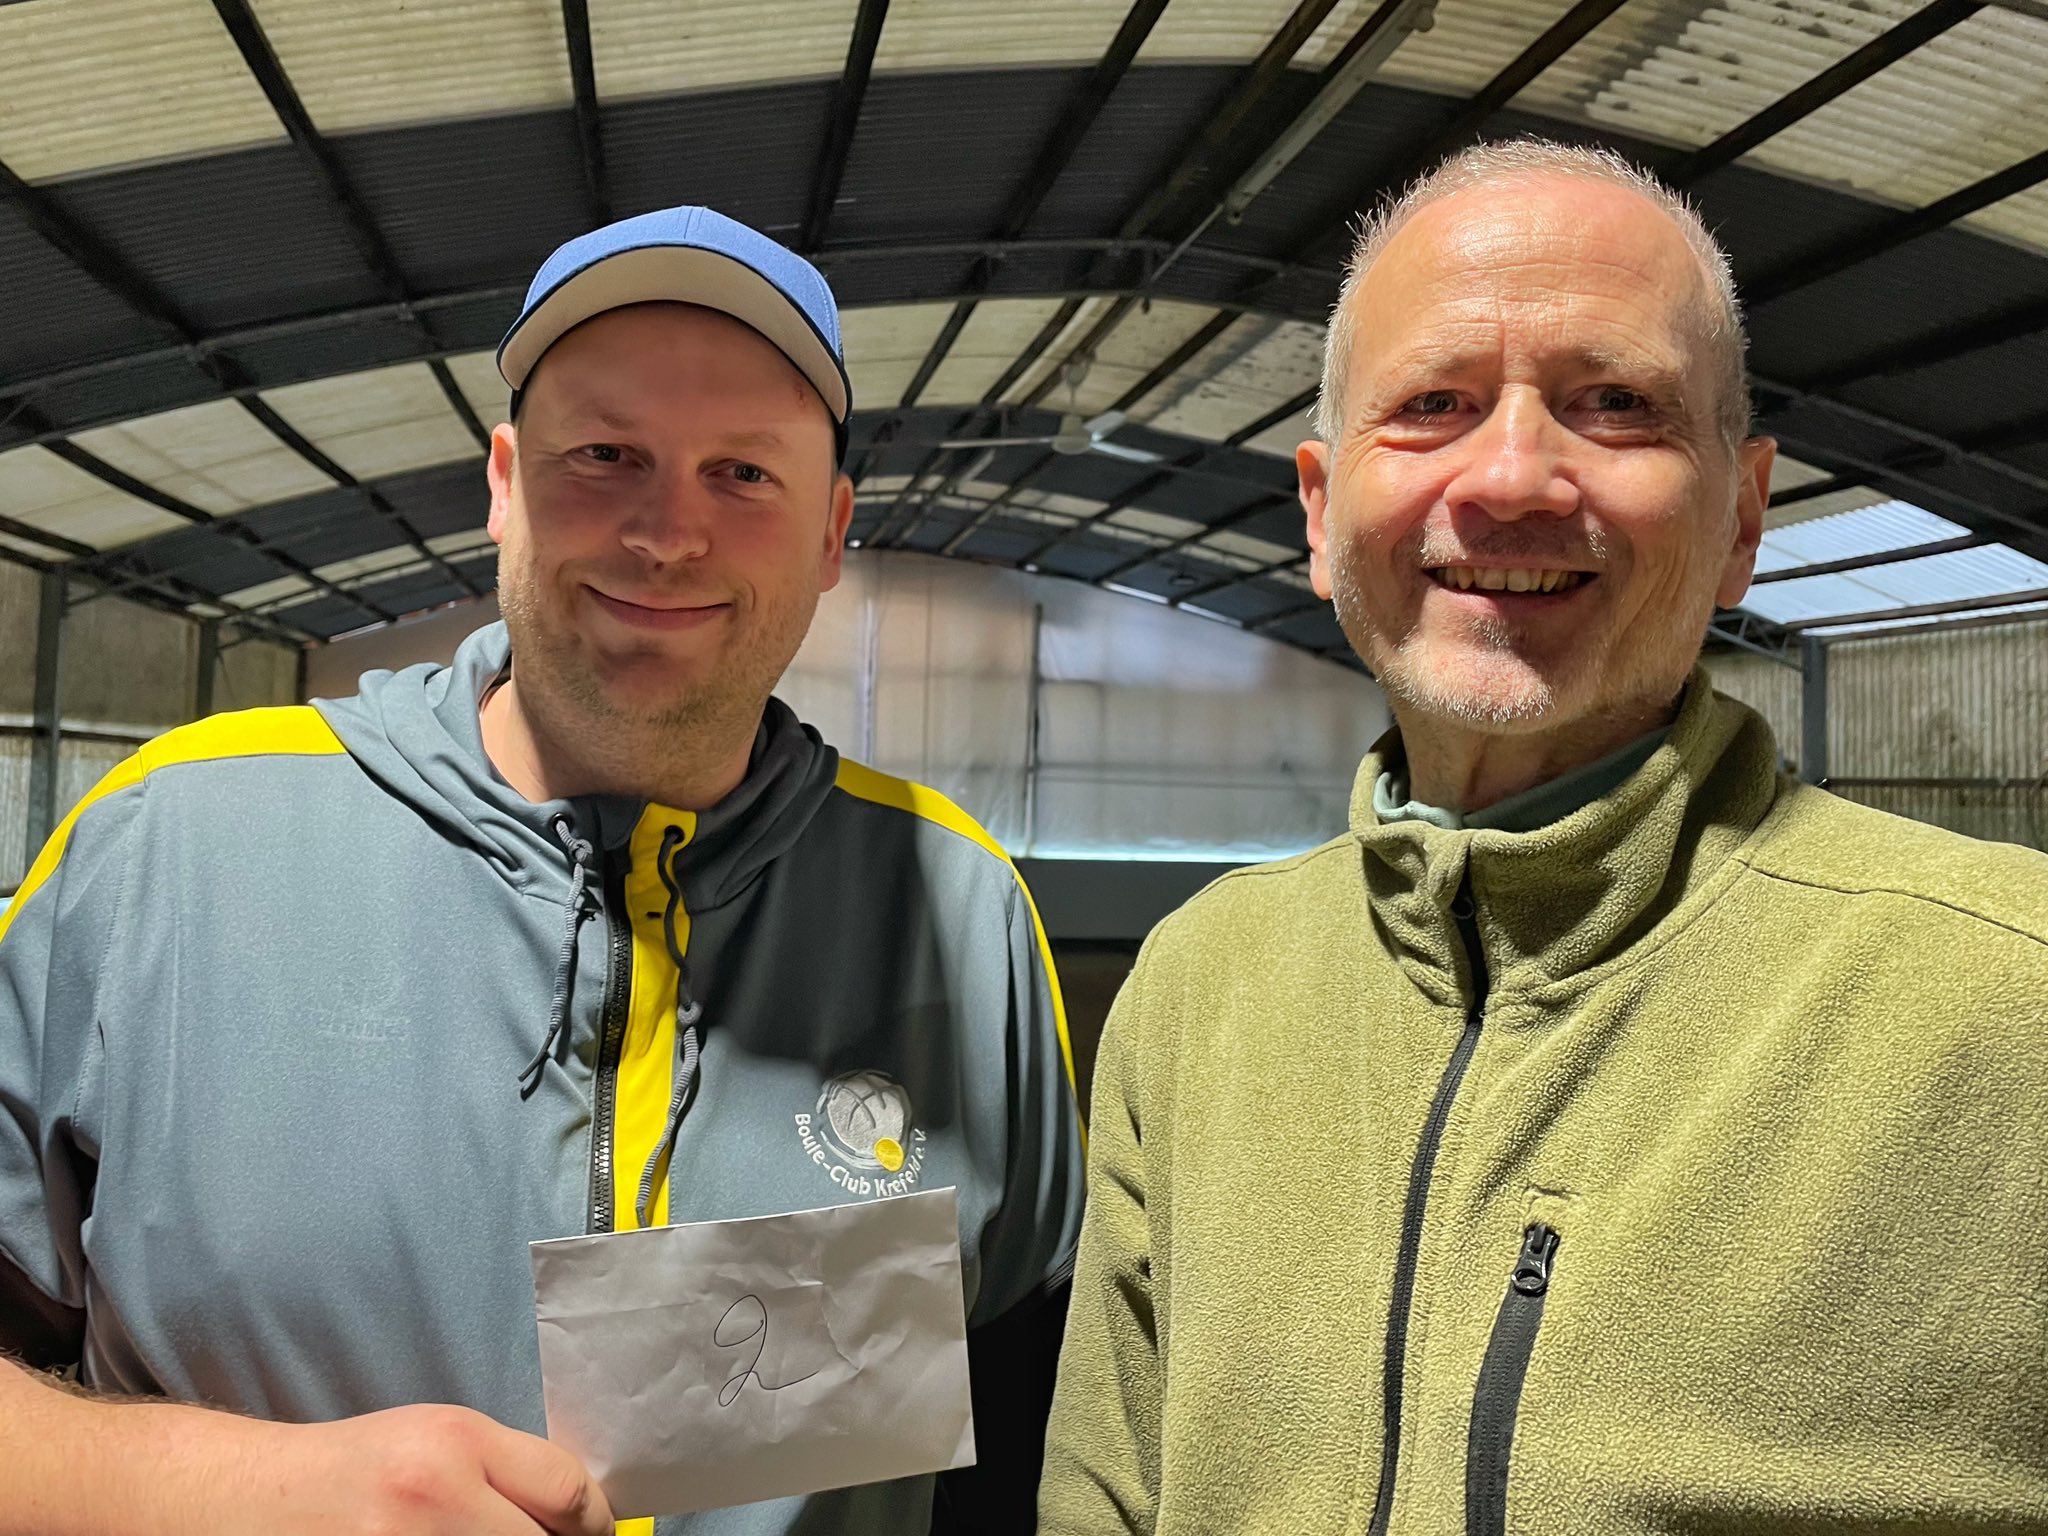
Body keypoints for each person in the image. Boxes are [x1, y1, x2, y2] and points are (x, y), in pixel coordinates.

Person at [1, 205, 1083, 1536]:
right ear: (505, 484)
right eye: (606, 454)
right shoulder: (170, 847)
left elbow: (1032, 1436)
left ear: (829, 531)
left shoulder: (958, 917)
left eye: (744, 473)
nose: (668, 533)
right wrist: (241, 1495)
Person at [1039, 140, 2048, 1534]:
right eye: (1432, 404)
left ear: (1744, 515)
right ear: (1322, 514)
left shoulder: (2009, 998)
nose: (1512, 477)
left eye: (1616, 404)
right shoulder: (1198, 984)